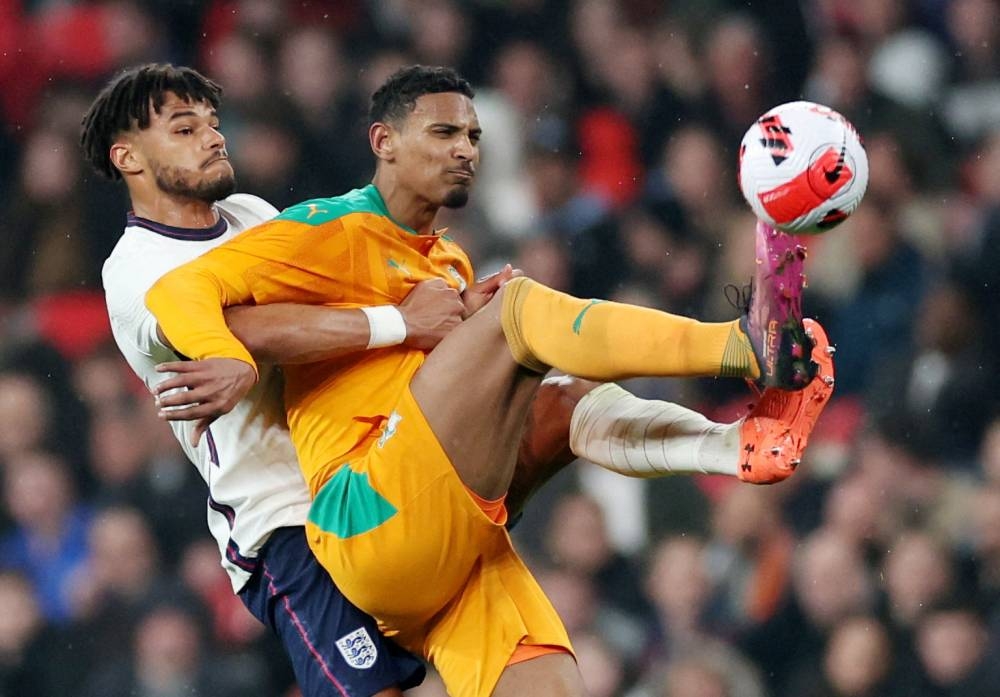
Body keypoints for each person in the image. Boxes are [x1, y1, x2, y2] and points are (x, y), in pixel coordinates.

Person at [84, 63, 830, 697]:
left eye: (213, 120)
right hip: (293, 524)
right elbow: (237, 324)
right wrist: (399, 324)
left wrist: (442, 323)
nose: (214, 134)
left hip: (413, 475)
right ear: (129, 159)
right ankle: (739, 348)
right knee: (518, 317)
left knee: (554, 395)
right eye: (184, 128)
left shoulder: (258, 216)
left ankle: (740, 442)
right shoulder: (137, 270)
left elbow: (324, 301)